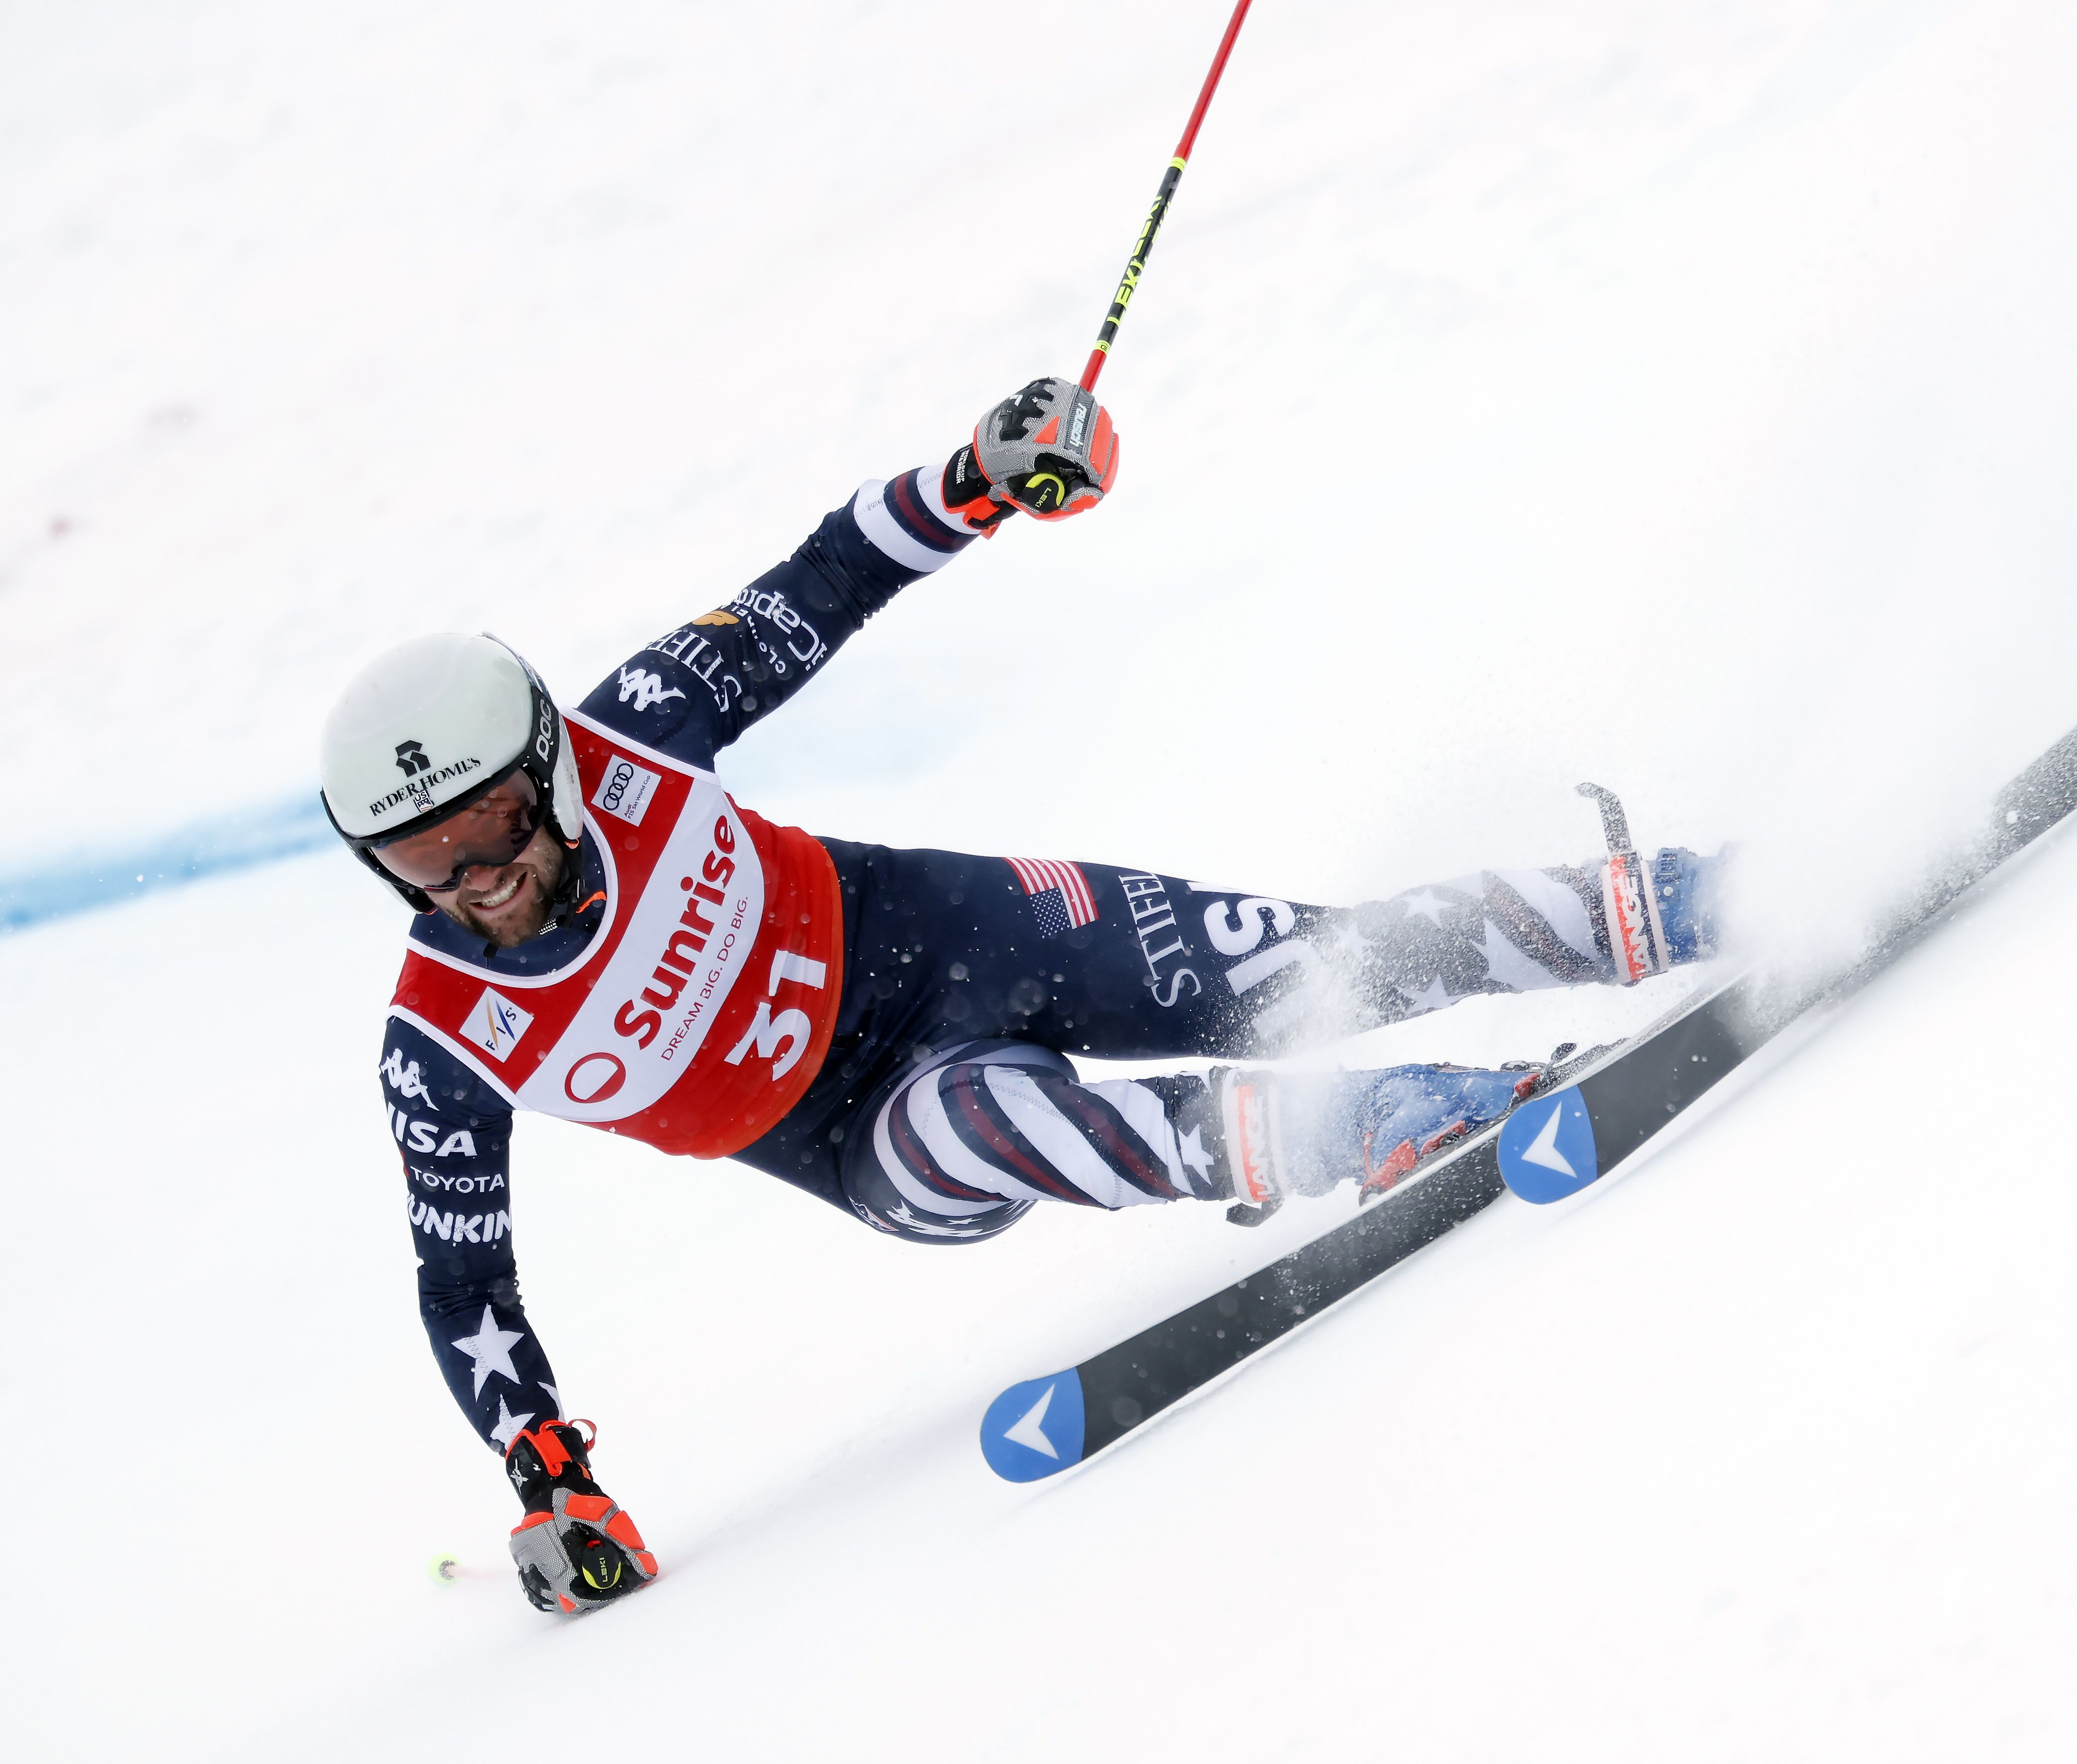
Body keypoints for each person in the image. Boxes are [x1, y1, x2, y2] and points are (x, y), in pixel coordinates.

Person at [321, 377, 1721, 1616]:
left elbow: (817, 585)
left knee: (1308, 960)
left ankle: (1679, 898)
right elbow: (467, 1278)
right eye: (421, 860)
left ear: (550, 766)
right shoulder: (442, 1039)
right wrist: (549, 1480)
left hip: (952, 931)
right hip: (870, 1133)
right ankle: (1397, 1118)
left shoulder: (640, 736)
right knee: (985, 1122)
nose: (476, 880)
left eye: (494, 826)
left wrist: (981, 476)